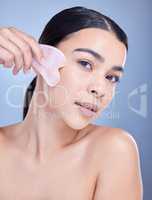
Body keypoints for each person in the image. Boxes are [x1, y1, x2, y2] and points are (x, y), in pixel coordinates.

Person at [0, 6, 143, 200]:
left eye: (112, 77)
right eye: (86, 64)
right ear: (42, 58)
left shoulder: (113, 150)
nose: (100, 90)